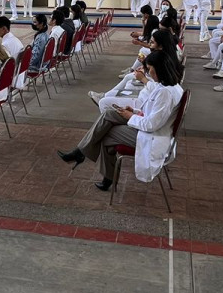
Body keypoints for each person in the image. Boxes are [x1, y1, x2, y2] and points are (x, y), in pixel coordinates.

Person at [57, 49, 185, 191]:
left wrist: (131, 117)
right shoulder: (170, 86)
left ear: (159, 68)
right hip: (153, 128)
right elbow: (154, 113)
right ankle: (82, 154)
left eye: (149, 69)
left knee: (107, 134)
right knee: (109, 114)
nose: (148, 73)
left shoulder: (165, 92)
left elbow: (152, 124)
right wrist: (135, 112)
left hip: (153, 137)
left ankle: (100, 170)